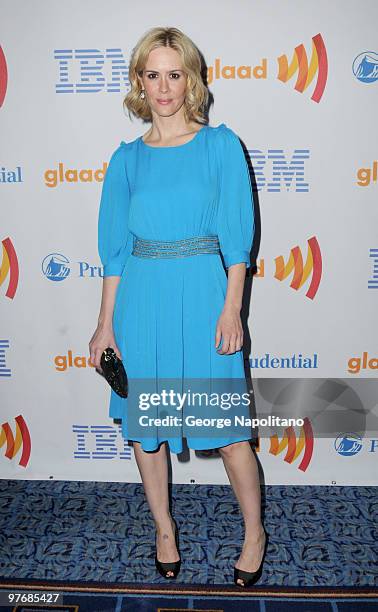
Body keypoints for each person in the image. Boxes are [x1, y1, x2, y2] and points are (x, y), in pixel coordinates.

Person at [89, 26, 268, 587]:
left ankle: (255, 532)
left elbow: (237, 238)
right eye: (152, 74)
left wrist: (232, 307)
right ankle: (163, 529)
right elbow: (115, 251)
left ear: (190, 79)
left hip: (204, 295)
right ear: (138, 82)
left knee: (231, 433)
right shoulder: (125, 160)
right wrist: (104, 326)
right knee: (147, 430)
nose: (164, 87)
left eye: (174, 73)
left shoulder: (221, 146)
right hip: (141, 301)